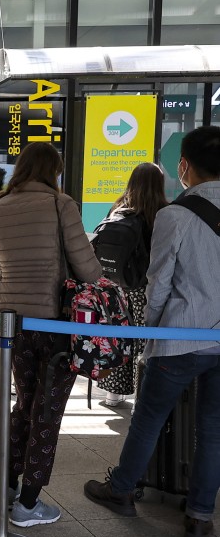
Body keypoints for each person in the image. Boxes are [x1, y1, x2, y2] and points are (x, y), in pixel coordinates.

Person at [85, 125, 220, 537]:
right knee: (213, 429)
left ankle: (122, 489)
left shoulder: (175, 215)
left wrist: (149, 337)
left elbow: (158, 282)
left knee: (148, 418)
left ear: (184, 166)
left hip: (180, 335)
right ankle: (200, 517)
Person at [0, 142, 102, 527]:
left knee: (24, 403)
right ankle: (29, 504)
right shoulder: (60, 204)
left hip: (11, 326)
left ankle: (11, 486)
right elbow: (86, 268)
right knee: (46, 412)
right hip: (54, 325)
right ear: (53, 170)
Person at [94, 163, 168, 407]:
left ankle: (113, 394)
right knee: (144, 339)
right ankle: (141, 393)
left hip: (117, 285)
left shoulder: (119, 208)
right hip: (146, 285)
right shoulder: (162, 211)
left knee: (120, 335)